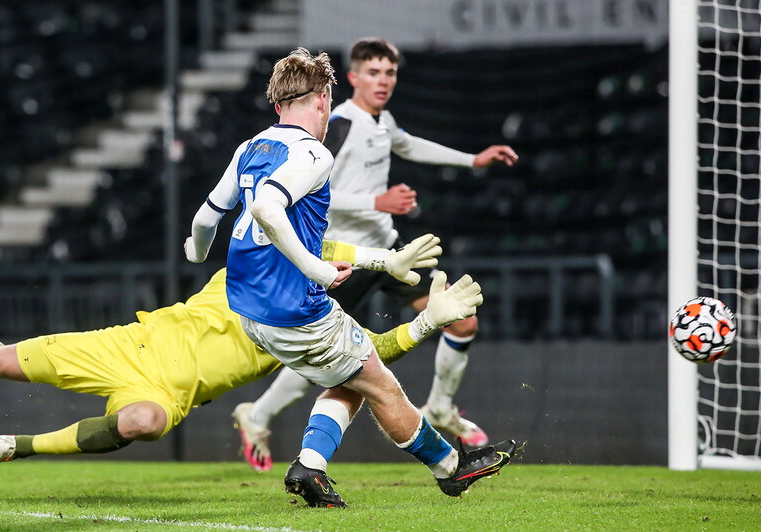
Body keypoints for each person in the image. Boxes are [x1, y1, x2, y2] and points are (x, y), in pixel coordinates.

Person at [185, 47, 517, 508]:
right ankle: (450, 467)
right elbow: (266, 208)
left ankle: (310, 464)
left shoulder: (250, 147)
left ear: (277, 104)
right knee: (378, 379)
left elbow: (206, 218)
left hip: (247, 306)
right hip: (295, 303)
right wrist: (318, 269)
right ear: (324, 99)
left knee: (350, 375)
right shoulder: (316, 151)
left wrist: (197, 250)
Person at [0, 237, 478, 467]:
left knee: (142, 423)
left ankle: (18, 446)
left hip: (167, 392)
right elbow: (319, 242)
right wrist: (382, 260)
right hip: (124, 346)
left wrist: (428, 320)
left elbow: (372, 358)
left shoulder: (309, 330)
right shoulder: (244, 272)